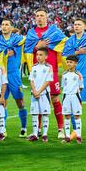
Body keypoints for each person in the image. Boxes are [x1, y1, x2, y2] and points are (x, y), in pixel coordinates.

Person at [24, 8, 67, 139]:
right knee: (38, 100)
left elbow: (65, 44)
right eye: (37, 16)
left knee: (54, 99)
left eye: (42, 15)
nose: (39, 18)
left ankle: (61, 129)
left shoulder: (55, 32)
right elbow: (27, 50)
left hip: (51, 70)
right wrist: (38, 46)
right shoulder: (31, 33)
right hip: (37, 72)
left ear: (46, 18)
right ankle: (38, 130)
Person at [62, 18, 86, 140]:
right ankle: (75, 131)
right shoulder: (70, 41)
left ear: (85, 27)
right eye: (75, 24)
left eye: (79, 24)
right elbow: (65, 54)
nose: (76, 26)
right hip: (73, 76)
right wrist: (77, 52)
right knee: (73, 104)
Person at [0, 19, 28, 138]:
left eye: (7, 25)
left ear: (11, 28)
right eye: (2, 25)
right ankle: (3, 130)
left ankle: (24, 128)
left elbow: (27, 39)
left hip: (14, 75)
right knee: (2, 102)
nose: (4, 26)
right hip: (1, 75)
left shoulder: (18, 39)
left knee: (20, 102)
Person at [27, 47, 53, 143]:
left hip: (44, 94)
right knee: (34, 114)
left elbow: (48, 81)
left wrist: (39, 92)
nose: (38, 56)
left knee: (45, 114)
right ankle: (35, 134)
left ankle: (45, 134)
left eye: (41, 55)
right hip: (34, 94)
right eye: (37, 55)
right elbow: (31, 80)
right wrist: (34, 91)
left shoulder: (48, 67)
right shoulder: (34, 67)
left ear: (46, 56)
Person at [61, 55, 84, 144]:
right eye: (67, 62)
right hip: (66, 96)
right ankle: (67, 136)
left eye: (71, 62)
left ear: (76, 64)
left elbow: (81, 87)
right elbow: (63, 86)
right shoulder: (64, 74)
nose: (69, 64)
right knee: (67, 116)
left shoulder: (78, 75)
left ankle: (78, 136)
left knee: (77, 116)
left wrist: (75, 93)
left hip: (75, 97)